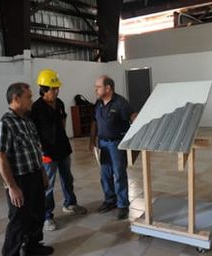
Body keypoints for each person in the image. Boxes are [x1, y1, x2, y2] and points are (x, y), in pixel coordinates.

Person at [0, 82, 53, 256]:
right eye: (28, 97)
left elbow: (36, 149)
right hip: (19, 180)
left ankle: (32, 248)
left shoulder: (27, 121)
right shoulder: (4, 123)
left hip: (35, 175)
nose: (31, 100)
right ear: (16, 98)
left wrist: (42, 173)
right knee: (19, 221)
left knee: (37, 214)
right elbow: (0, 157)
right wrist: (12, 187)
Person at [31, 69, 87, 231]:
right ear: (44, 89)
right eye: (53, 89)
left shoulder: (60, 103)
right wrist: (40, 150)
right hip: (47, 153)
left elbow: (62, 123)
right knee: (48, 184)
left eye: (57, 88)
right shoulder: (36, 108)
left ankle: (70, 204)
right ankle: (47, 216)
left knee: (67, 178)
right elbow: (33, 132)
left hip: (63, 148)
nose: (56, 91)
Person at [89, 75, 137, 220]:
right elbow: (94, 122)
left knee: (119, 174)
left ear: (108, 88)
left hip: (117, 143)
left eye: (98, 87)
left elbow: (132, 116)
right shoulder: (98, 104)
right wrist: (92, 140)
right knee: (105, 175)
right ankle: (110, 200)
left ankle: (122, 205)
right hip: (102, 144)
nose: (95, 90)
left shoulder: (121, 103)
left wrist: (137, 119)